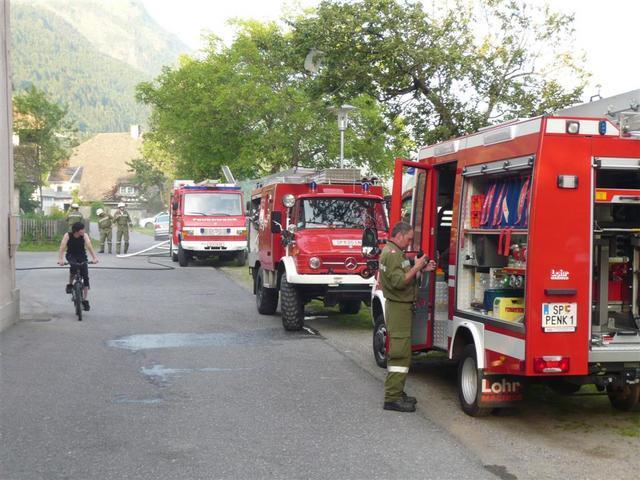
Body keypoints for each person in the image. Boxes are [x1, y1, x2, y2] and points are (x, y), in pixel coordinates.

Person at [380, 221, 436, 412]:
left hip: (400, 308)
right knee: (400, 353)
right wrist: (417, 265)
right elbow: (399, 282)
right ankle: (392, 397)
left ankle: (397, 392)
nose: (410, 243)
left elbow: (406, 276)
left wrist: (420, 269)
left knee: (402, 350)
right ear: (400, 235)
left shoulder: (394, 252)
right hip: (398, 308)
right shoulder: (393, 255)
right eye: (409, 239)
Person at [57, 222, 98, 311]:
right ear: (77, 231)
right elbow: (62, 247)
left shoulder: (85, 236)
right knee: (73, 267)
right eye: (82, 229)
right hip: (71, 255)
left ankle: (85, 300)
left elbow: (89, 246)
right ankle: (70, 284)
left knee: (85, 276)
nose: (84, 230)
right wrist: (61, 259)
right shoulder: (67, 235)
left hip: (81, 255)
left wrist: (94, 258)